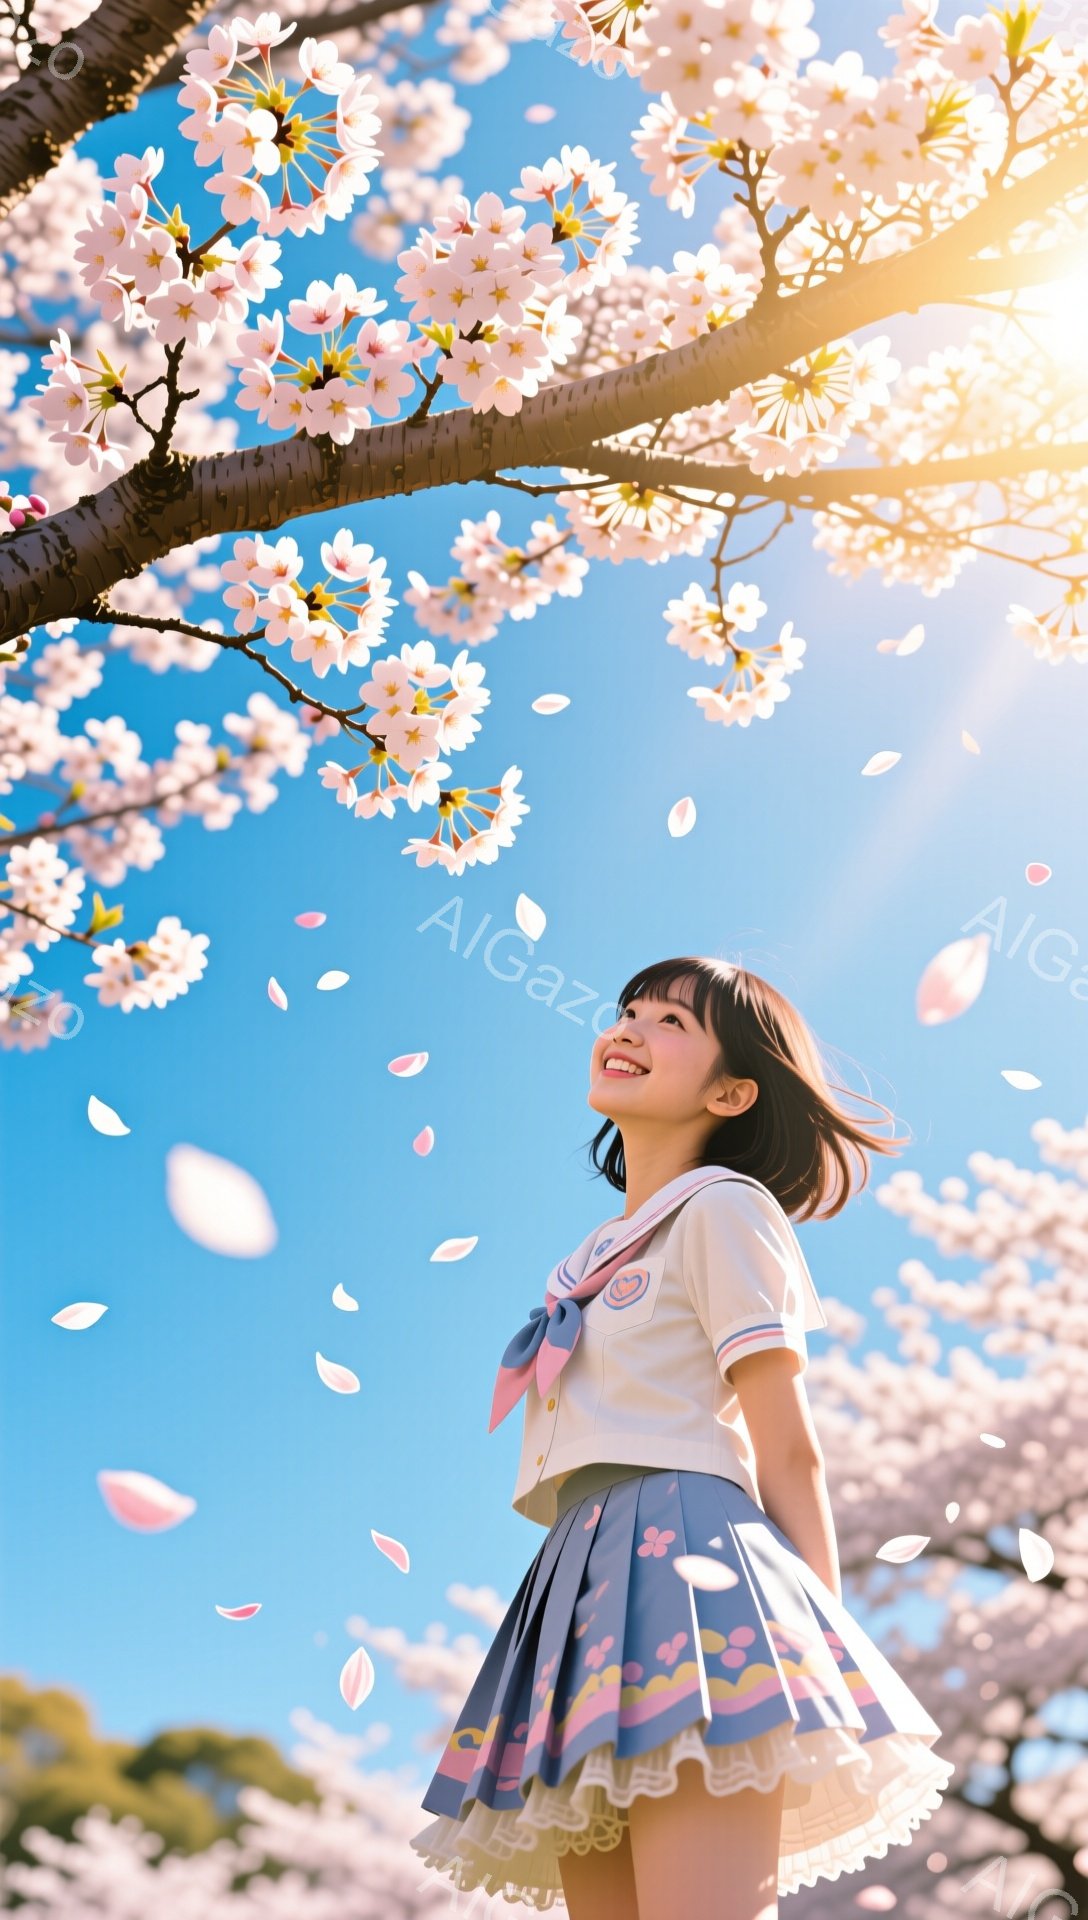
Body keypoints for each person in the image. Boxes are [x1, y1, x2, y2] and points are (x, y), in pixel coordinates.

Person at [410, 955, 956, 1918]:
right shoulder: (581, 1260)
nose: (627, 1029)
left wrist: (812, 1643)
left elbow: (789, 1445)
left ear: (734, 1089)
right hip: (576, 1585)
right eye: (626, 1010)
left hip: (692, 1569)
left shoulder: (725, 1208)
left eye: (669, 1021)